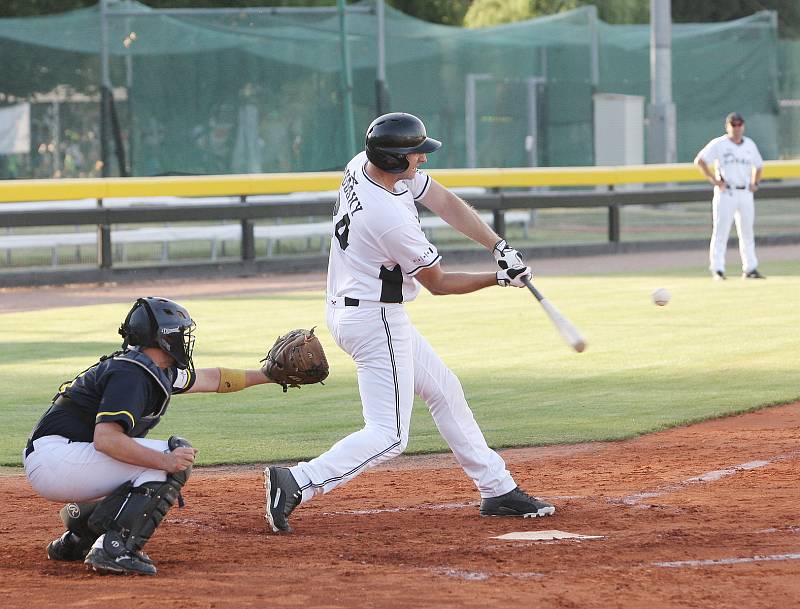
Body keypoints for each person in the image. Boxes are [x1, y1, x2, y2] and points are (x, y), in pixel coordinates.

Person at [265, 112, 555, 534]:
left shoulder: (364, 166)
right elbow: (438, 283)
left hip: (357, 307)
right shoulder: (389, 218)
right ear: (397, 160)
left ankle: (498, 488)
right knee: (389, 435)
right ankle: (297, 481)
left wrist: (497, 245)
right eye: (416, 154)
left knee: (444, 391)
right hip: (373, 318)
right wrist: (499, 278)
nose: (423, 160)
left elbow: (444, 201)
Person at [24, 296, 275, 575]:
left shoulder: (151, 368)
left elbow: (211, 378)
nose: (185, 339)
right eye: (181, 333)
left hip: (60, 458)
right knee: (170, 455)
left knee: (154, 460)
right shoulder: (131, 374)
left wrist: (268, 374)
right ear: (163, 337)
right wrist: (165, 462)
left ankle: (79, 539)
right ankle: (114, 548)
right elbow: (106, 440)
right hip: (57, 460)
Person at [694, 112, 765, 280]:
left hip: (745, 192)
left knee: (747, 232)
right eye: (733, 124)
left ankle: (750, 268)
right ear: (728, 126)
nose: (737, 127)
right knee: (721, 231)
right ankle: (717, 268)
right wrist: (714, 180)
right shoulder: (720, 144)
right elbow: (700, 160)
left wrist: (755, 183)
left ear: (743, 126)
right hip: (727, 192)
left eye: (740, 124)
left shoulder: (749, 144)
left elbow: (759, 165)